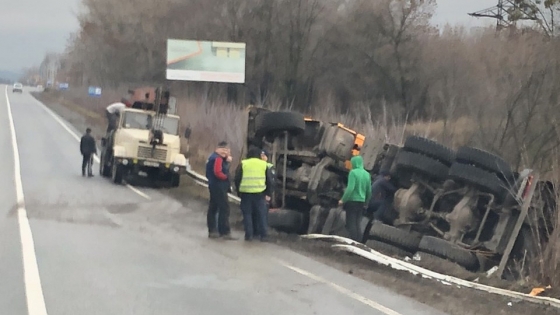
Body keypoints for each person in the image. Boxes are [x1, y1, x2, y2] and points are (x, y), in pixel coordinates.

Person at [234, 146, 275, 242]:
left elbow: (237, 179)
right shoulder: (264, 165)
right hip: (259, 193)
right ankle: (264, 236)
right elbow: (269, 181)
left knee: (247, 214)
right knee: (261, 215)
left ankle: (249, 236)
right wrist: (268, 193)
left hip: (245, 193)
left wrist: (239, 191)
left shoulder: (243, 163)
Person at [206, 141, 236, 240]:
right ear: (219, 149)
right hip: (219, 186)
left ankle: (213, 230)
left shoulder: (212, 157)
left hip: (213, 184)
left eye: (227, 150)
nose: (226, 152)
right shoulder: (218, 159)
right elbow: (218, 172)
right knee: (224, 208)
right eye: (224, 150)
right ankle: (224, 231)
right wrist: (226, 177)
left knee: (213, 207)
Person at [338, 155, 372, 242]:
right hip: (361, 202)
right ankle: (358, 243)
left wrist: (343, 200)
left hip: (352, 201)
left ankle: (353, 243)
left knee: (350, 224)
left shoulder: (353, 173)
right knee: (357, 223)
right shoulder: (367, 174)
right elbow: (369, 191)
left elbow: (350, 188)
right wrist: (366, 202)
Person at [252, 149, 276, 238]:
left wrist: (268, 194)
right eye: (260, 155)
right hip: (257, 193)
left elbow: (272, 182)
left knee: (262, 214)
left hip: (264, 193)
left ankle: (263, 233)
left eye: (263, 155)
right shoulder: (256, 165)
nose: (262, 157)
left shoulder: (269, 167)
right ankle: (255, 232)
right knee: (255, 213)